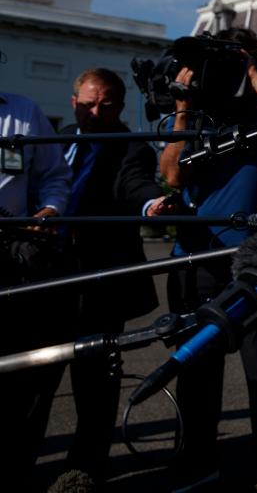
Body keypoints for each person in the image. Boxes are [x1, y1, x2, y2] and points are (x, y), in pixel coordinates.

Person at [160, 28, 257, 493]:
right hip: (197, 259)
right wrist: (182, 105)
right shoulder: (195, 116)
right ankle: (199, 463)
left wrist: (253, 71)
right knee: (198, 371)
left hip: (256, 258)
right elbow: (173, 175)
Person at [54, 68, 168, 486]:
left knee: (95, 387)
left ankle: (83, 471)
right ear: (74, 103)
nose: (95, 112)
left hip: (100, 283)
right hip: (49, 279)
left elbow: (133, 185)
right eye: (87, 104)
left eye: (105, 105)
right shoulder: (59, 138)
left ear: (121, 107)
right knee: (35, 380)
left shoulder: (131, 146)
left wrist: (151, 203)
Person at [0, 90, 73, 489]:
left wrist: (49, 209)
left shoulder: (25, 112)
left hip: (13, 263)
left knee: (20, 378)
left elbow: (54, 177)